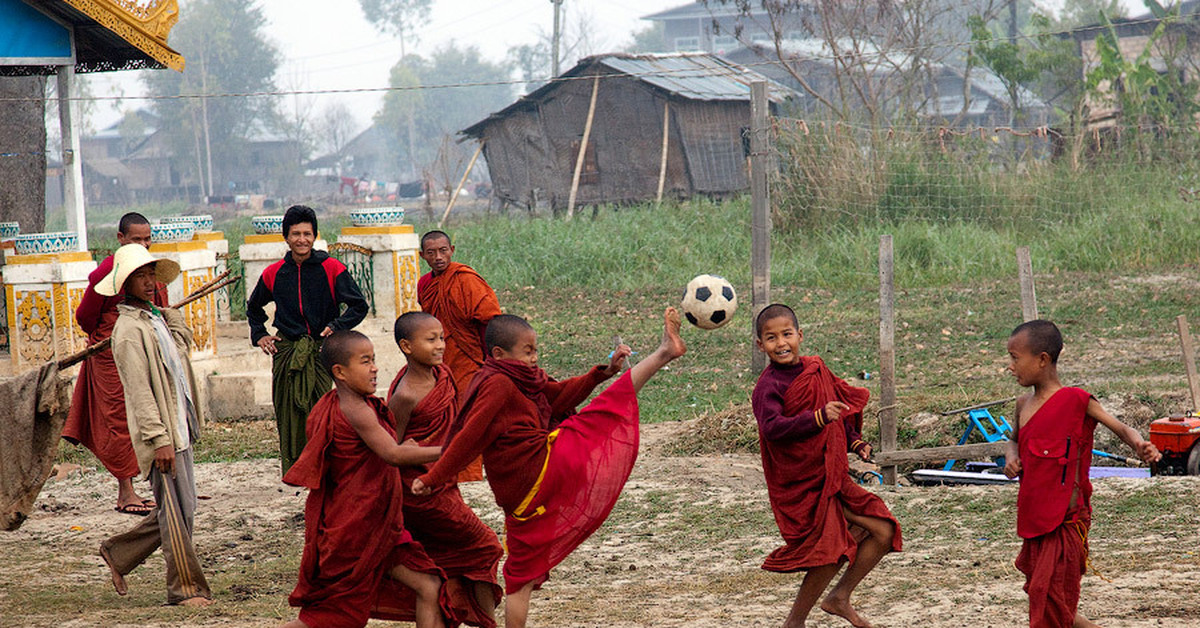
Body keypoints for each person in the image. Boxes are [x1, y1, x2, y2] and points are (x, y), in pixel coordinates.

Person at [412, 308, 688, 628]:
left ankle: (664, 353)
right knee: (607, 408)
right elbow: (469, 437)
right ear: (500, 354)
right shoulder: (498, 384)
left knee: (518, 577)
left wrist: (602, 373)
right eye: (527, 352)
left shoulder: (518, 377)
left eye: (536, 350)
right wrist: (434, 477)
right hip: (540, 471)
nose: (534, 358)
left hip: (523, 488)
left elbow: (556, 397)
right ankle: (663, 354)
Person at [280, 330, 448, 628]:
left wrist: (408, 448)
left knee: (428, 585)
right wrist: (452, 451)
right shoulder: (355, 409)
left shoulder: (350, 404)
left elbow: (386, 448)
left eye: (374, 360)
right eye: (365, 361)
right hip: (355, 528)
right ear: (340, 372)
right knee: (331, 617)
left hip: (378, 523)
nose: (374, 368)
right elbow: (391, 455)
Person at [750, 304, 901, 628]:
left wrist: (855, 442)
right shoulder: (768, 387)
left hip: (832, 475)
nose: (781, 343)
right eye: (771, 337)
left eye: (787, 334)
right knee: (831, 549)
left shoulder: (815, 369)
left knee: (884, 530)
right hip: (804, 481)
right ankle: (796, 621)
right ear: (760, 345)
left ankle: (839, 597)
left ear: (800, 335)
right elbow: (773, 428)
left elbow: (838, 414)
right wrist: (817, 418)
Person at [1002, 319, 1160, 628]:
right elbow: (1013, 440)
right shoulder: (1022, 405)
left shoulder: (1077, 400)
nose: (1010, 366)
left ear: (1043, 359)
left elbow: (1120, 427)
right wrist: (1011, 457)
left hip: (1065, 521)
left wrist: (1140, 444)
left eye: (1015, 358)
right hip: (1034, 518)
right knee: (1048, 598)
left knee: (1047, 595)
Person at [95, 244, 212, 607]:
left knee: (182, 508)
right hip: (161, 435)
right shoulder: (129, 331)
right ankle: (185, 589)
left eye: (151, 275)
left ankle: (118, 554)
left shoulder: (153, 319)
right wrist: (158, 439)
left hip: (179, 428)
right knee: (177, 514)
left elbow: (180, 348)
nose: (148, 282)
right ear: (125, 283)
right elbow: (139, 392)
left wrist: (167, 314)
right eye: (140, 276)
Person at [387, 312, 504, 626]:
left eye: (441, 337)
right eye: (431, 340)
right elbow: (391, 452)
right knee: (485, 547)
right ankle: (486, 623)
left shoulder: (443, 374)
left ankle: (448, 615)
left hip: (444, 484)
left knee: (441, 563)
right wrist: (450, 451)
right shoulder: (405, 394)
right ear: (406, 346)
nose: (440, 345)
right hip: (420, 493)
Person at [247, 205, 369, 475]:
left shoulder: (331, 268)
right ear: (286, 237)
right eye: (295, 234)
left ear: (315, 236)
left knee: (323, 412)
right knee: (289, 415)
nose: (301, 239)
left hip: (321, 352)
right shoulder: (274, 273)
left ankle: (328, 469)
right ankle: (298, 471)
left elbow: (359, 306)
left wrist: (336, 326)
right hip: (287, 353)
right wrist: (260, 335)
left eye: (307, 233)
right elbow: (253, 308)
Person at [63, 212, 168, 516]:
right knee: (119, 419)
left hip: (147, 345)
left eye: (148, 239)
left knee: (151, 411)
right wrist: (113, 334)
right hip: (111, 350)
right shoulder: (107, 272)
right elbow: (85, 317)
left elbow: (159, 305)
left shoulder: (151, 268)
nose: (144, 245)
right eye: (137, 239)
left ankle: (160, 487)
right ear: (120, 239)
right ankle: (126, 491)